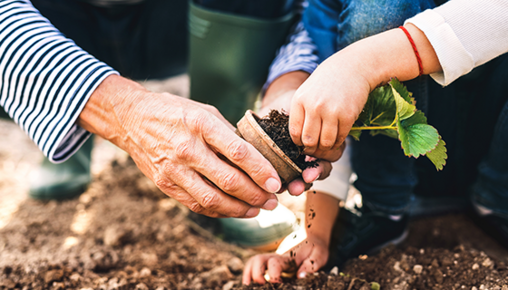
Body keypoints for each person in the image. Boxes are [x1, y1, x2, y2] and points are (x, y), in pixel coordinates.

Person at [242, 0, 508, 284]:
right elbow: (332, 95)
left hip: (494, 135)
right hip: (402, 175)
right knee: (375, 8)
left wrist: (366, 63)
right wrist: (316, 231)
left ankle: (498, 200)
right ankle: (384, 211)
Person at [0, 0, 338, 218]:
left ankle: (221, 159)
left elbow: (316, 6)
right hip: (47, 19)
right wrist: (121, 109)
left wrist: (290, 81)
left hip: (179, 21)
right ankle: (67, 130)